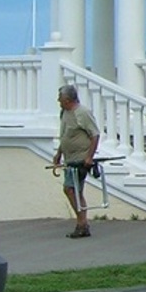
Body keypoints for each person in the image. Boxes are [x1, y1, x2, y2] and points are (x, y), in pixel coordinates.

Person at [53, 85, 100, 238]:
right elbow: (66, 135)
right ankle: (82, 223)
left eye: (60, 98)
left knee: (71, 189)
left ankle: (82, 223)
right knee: (73, 190)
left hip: (80, 159)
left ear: (67, 100)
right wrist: (59, 153)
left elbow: (95, 135)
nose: (58, 100)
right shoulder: (65, 113)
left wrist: (89, 157)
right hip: (69, 158)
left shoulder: (83, 113)